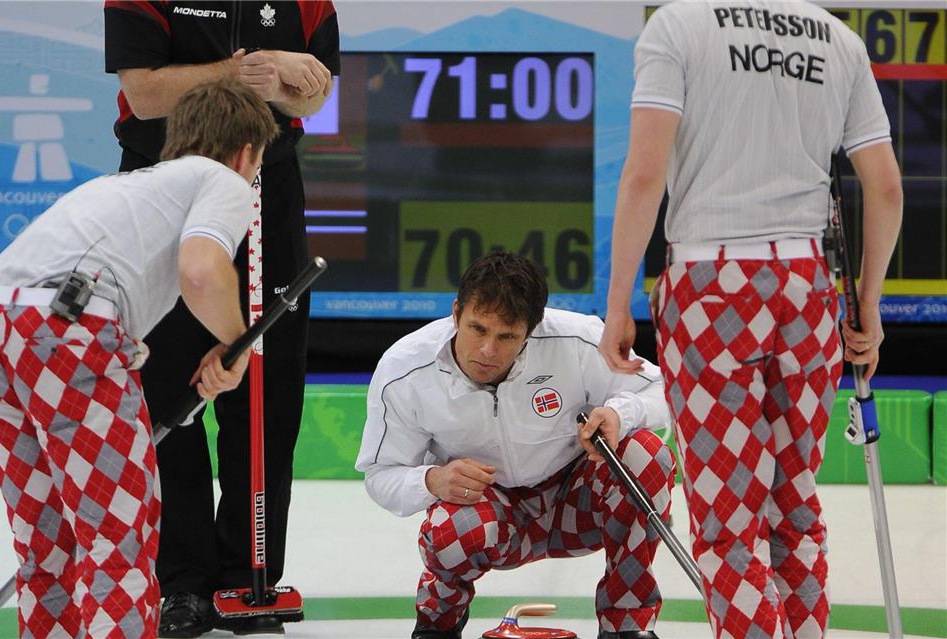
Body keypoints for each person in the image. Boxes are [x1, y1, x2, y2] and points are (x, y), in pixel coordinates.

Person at [599, 2, 903, 638]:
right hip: (806, 287)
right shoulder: (839, 39)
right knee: (794, 504)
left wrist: (617, 304)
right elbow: (886, 186)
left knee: (727, 521)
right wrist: (866, 306)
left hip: (710, 285)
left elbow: (644, 174)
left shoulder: (677, 26)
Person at [0, 79, 277, 639]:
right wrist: (236, 344)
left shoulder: (123, 188)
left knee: (48, 536)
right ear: (247, 153)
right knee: (117, 534)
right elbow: (201, 270)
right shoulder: (221, 179)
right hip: (68, 330)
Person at [103, 2, 340, 636]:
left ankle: (251, 574)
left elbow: (312, 98)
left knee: (268, 385)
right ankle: (180, 582)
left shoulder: (309, 2)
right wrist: (247, 70)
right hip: (166, 180)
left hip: (267, 179)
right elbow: (146, 93)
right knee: (167, 388)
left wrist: (289, 82)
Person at [356, 251, 676, 639]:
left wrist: (620, 414)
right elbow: (380, 474)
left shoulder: (578, 339)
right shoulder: (404, 368)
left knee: (645, 453)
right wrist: (432, 480)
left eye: (507, 336)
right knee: (452, 527)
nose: (488, 351)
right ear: (456, 313)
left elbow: (666, 392)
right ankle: (436, 626)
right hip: (491, 513)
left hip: (577, 505)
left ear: (532, 328)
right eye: (477, 329)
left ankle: (628, 627)